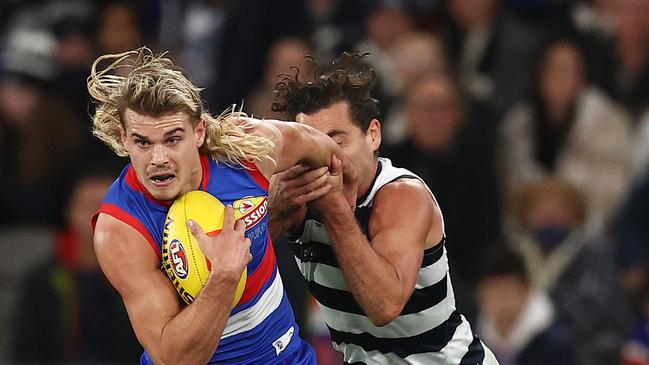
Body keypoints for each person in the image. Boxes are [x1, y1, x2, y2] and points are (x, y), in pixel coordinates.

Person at [88, 47, 356, 365]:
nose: (157, 160)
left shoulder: (248, 149)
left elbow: (328, 152)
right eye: (143, 142)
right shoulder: (120, 229)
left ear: (199, 131)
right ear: (124, 137)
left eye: (173, 139)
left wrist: (343, 211)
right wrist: (225, 276)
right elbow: (174, 359)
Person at [269, 51, 499, 364]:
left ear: (373, 134)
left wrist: (335, 211)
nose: (327, 159)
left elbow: (383, 306)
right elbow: (238, 256)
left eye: (337, 141)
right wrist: (274, 208)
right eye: (314, 145)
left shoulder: (404, 195)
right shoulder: (297, 192)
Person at [12, 170, 142, 363]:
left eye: (109, 207)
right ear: (70, 212)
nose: (98, 216)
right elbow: (28, 350)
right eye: (89, 206)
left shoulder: (141, 277)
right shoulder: (44, 279)